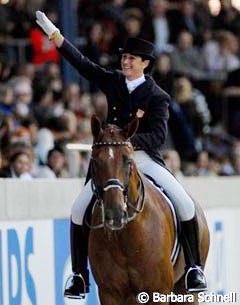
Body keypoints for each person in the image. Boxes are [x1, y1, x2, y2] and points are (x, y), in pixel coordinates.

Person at [35, 10, 207, 298]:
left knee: (185, 204)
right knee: (78, 210)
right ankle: (79, 276)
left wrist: (127, 144)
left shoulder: (158, 96)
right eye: (124, 57)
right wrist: (56, 37)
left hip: (141, 157)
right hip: (111, 161)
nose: (125, 61)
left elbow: (158, 136)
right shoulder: (113, 81)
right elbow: (83, 65)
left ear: (145, 63)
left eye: (131, 59)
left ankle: (193, 269)